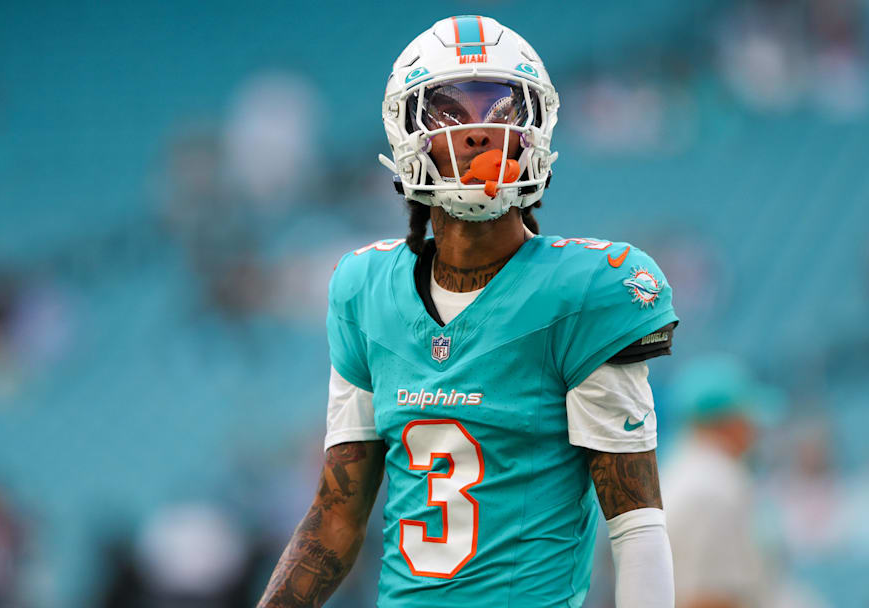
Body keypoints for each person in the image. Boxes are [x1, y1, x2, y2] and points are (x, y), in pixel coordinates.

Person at [257, 15, 677, 607]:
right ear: (407, 133)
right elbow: (334, 519)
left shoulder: (584, 291)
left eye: (502, 109)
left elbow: (634, 524)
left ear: (535, 129)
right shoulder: (365, 289)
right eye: (450, 112)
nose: (479, 131)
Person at [660, 354, 780, 608]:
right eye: (747, 418)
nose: (755, 430)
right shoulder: (713, 485)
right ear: (726, 422)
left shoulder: (683, 472)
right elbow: (708, 598)